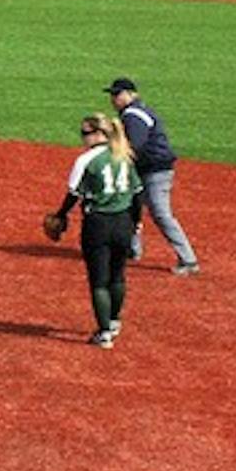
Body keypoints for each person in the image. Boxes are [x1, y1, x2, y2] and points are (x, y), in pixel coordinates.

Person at [46, 112, 143, 349]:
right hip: (123, 222)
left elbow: (73, 195)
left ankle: (104, 333)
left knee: (99, 281)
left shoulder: (87, 160)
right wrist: (137, 222)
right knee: (118, 275)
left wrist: (60, 215)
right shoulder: (124, 155)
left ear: (99, 134)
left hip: (98, 223)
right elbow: (138, 194)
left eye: (85, 133)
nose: (82, 138)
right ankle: (114, 320)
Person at [104, 77, 199, 276]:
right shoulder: (133, 113)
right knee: (129, 207)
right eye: (113, 94)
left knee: (160, 212)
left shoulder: (133, 115)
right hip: (146, 168)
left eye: (118, 94)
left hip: (155, 170)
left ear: (132, 94)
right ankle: (131, 249)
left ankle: (188, 259)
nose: (114, 99)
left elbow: (134, 145)